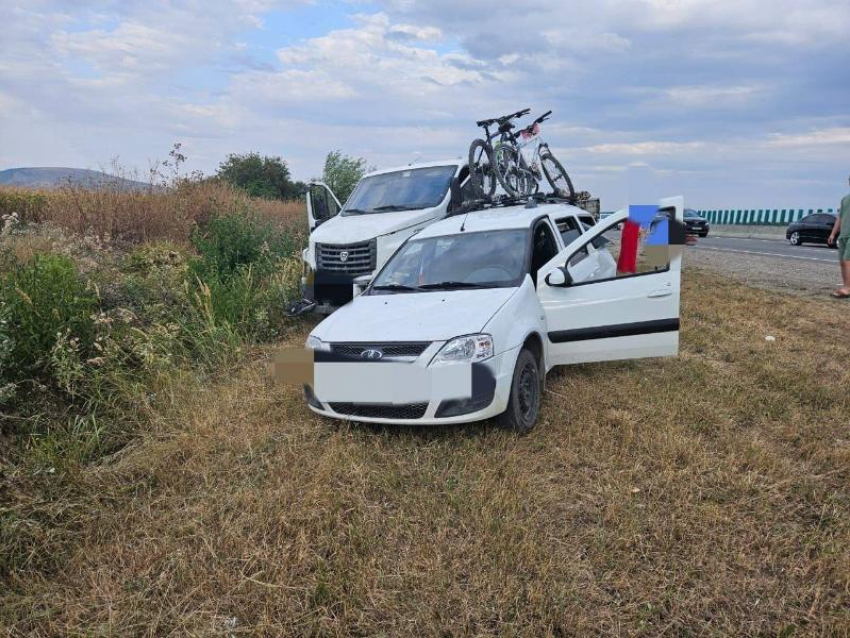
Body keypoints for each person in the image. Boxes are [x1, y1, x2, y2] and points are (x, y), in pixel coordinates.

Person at [828, 174, 850, 298]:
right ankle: (845, 285)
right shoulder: (845, 199)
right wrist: (833, 233)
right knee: (842, 262)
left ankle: (848, 288)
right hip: (843, 235)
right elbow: (839, 218)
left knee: (848, 261)